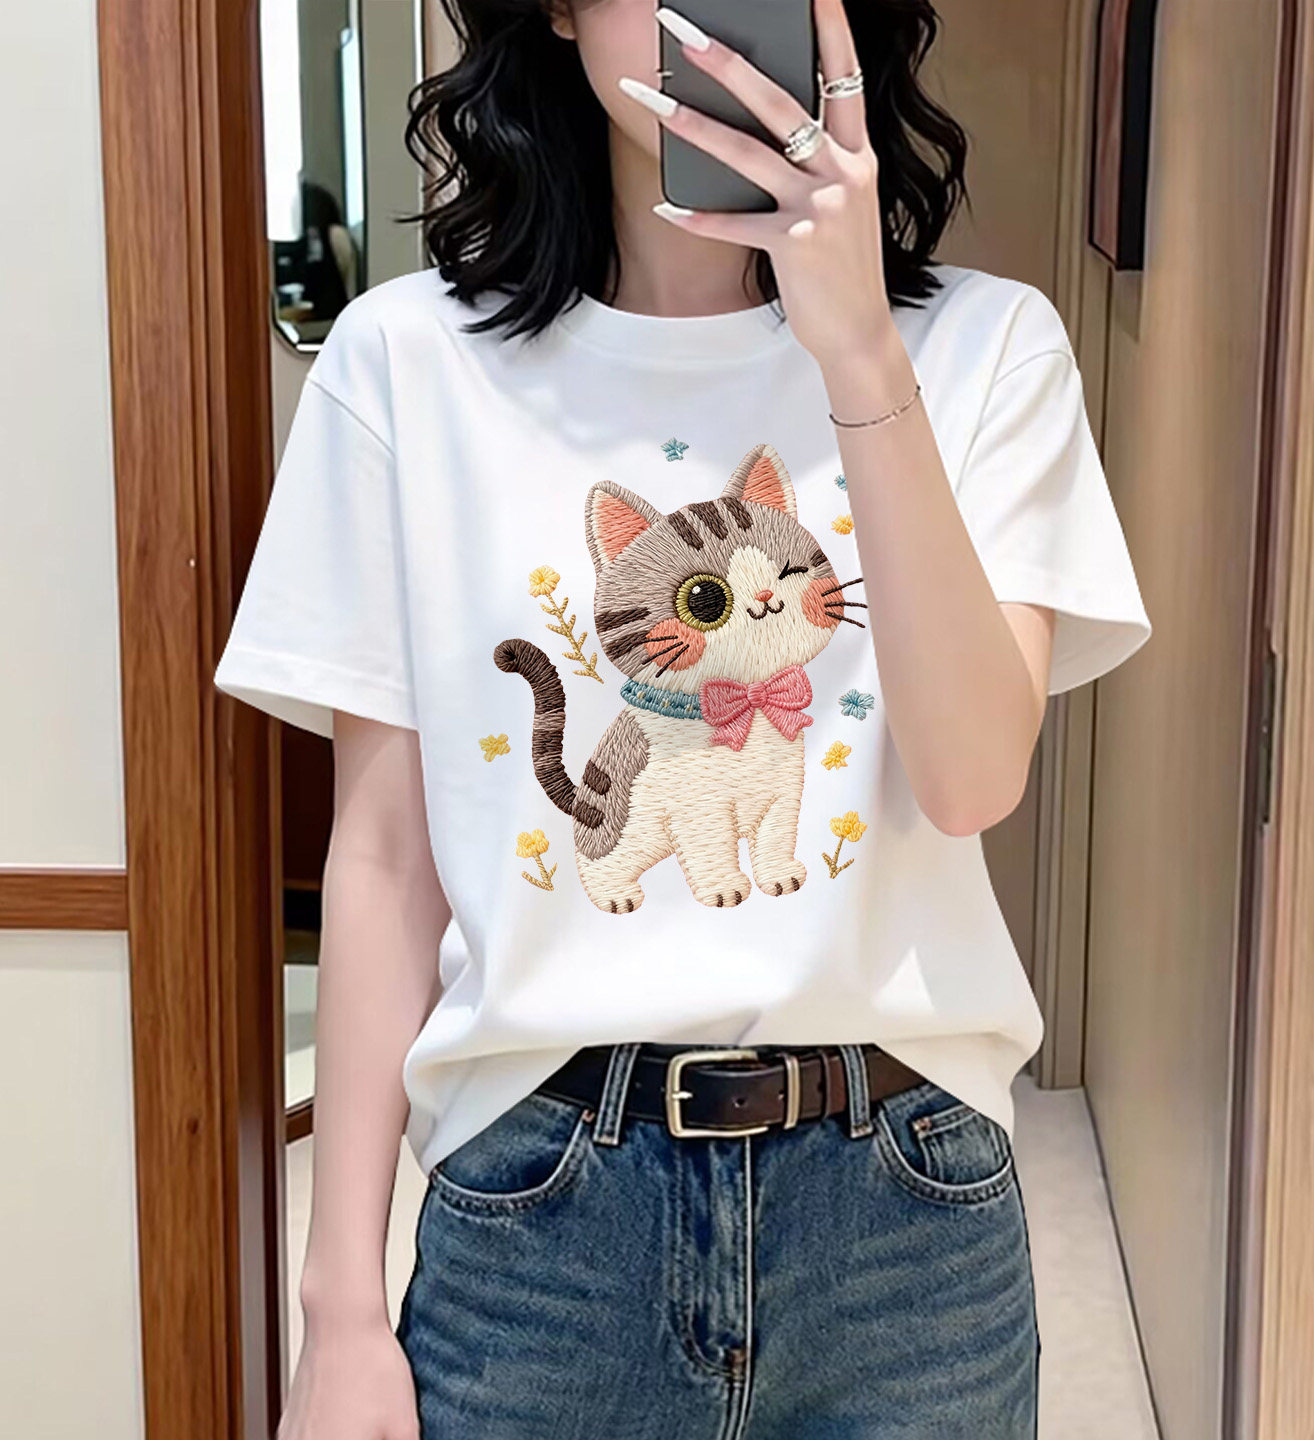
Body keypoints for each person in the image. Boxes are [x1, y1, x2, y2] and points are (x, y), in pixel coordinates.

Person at [214, 1, 1152, 1436]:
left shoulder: (986, 348)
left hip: (904, 1221)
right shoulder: (405, 361)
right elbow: (384, 860)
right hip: (541, 1219)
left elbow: (971, 780)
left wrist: (860, 362)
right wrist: (338, 1312)